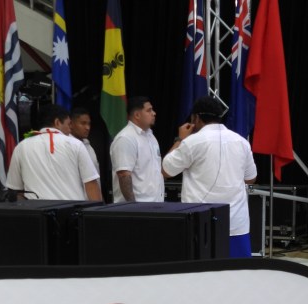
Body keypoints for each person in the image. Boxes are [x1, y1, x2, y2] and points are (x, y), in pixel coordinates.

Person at [162, 96, 257, 258]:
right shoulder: (241, 142)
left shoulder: (191, 142)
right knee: (239, 275)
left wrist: (180, 139)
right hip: (235, 222)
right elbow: (250, 178)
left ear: (196, 118)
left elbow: (166, 171)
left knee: (201, 278)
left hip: (200, 224)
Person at [6, 104, 101, 202]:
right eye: (68, 124)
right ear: (57, 122)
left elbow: (16, 190)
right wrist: (97, 214)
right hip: (72, 212)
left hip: (37, 212)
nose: (70, 129)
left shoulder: (21, 147)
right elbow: (91, 184)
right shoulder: (76, 145)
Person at [109, 96, 164, 203]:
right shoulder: (126, 138)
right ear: (137, 115)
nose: (154, 113)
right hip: (136, 209)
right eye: (149, 110)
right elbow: (124, 175)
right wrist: (133, 207)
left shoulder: (151, 136)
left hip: (155, 205)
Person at [69, 107, 100, 175]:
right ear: (71, 124)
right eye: (83, 123)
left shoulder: (88, 145)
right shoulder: (67, 145)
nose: (87, 128)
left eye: (89, 124)